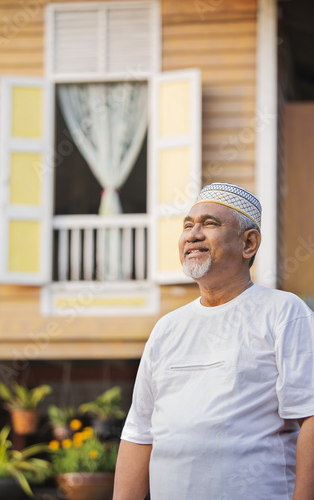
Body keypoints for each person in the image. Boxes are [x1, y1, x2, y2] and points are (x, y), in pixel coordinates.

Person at [113, 182, 314, 500]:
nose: (192, 234)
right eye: (188, 226)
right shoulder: (167, 329)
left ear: (249, 243)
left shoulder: (284, 312)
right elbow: (139, 433)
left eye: (209, 223)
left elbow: (311, 416)